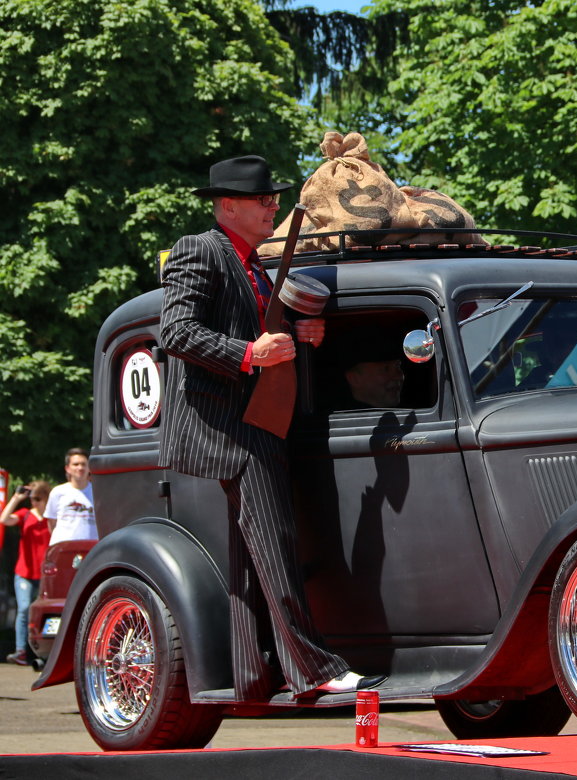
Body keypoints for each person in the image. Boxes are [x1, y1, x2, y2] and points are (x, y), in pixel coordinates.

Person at [159, 154, 384, 698]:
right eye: (262, 200)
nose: (273, 206)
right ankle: (315, 671)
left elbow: (265, 332)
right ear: (227, 206)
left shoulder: (255, 263)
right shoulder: (200, 250)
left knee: (248, 558)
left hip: (260, 419)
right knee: (275, 542)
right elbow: (175, 332)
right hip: (228, 426)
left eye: (274, 198)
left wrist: (296, 338)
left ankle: (249, 674)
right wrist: (248, 353)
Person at [1, 480, 51, 666]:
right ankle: (20, 650)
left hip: (46, 574)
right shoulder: (25, 514)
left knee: (44, 614)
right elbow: (4, 519)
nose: (34, 502)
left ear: (46, 498)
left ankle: (43, 651)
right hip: (24, 572)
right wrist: (16, 498)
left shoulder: (52, 518)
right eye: (32, 498)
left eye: (38, 498)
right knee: (24, 609)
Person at [45, 449, 95, 547]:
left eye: (84, 464)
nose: (80, 468)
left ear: (89, 467)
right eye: (76, 464)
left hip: (91, 547)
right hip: (63, 547)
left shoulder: (98, 492)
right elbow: (51, 522)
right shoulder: (58, 492)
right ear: (67, 468)